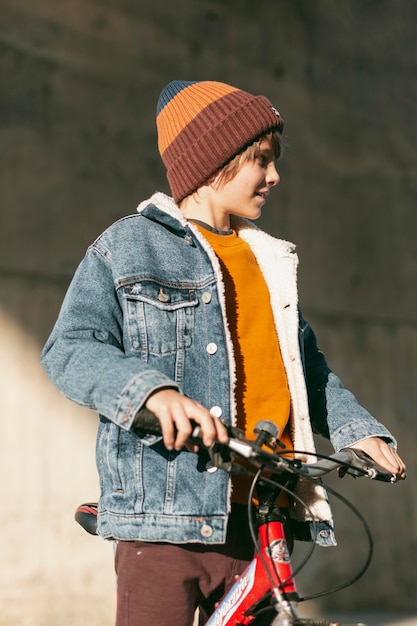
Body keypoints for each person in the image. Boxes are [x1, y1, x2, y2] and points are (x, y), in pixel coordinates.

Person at [41, 80, 406, 626]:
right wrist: (152, 392)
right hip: (167, 520)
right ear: (214, 162)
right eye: (260, 160)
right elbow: (69, 349)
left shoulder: (270, 262)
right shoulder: (128, 246)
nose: (274, 176)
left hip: (263, 512)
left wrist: (358, 429)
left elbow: (305, 369)